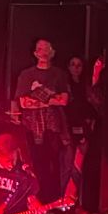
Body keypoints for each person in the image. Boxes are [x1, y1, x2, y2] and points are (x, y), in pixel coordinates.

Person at [13, 38, 71, 201]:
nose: (43, 52)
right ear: (35, 52)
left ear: (52, 52)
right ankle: (37, 200)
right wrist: (49, 98)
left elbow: (64, 100)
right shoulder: (26, 75)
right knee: (36, 164)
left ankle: (53, 201)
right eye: (40, 49)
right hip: (32, 127)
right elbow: (23, 102)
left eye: (46, 49)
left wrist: (38, 98)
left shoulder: (59, 74)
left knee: (54, 164)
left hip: (53, 127)